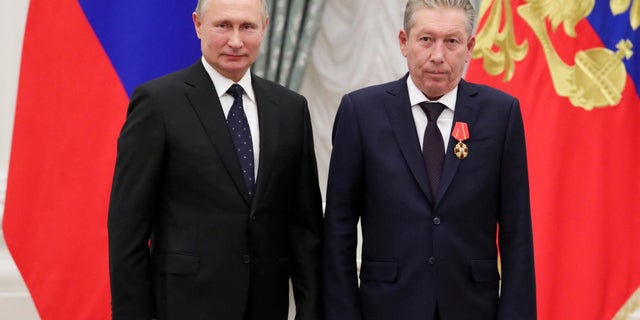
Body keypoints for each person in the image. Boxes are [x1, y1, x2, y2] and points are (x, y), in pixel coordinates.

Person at [107, 0, 324, 319]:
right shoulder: (158, 103)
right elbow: (128, 228)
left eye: (247, 27)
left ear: (264, 28)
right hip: (185, 305)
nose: (235, 41)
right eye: (223, 25)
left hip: (266, 305)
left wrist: (311, 310)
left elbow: (305, 227)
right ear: (198, 25)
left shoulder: (291, 109)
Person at [323, 0, 536, 319]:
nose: (438, 56)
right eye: (426, 39)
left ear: (469, 47)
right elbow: (339, 227)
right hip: (385, 306)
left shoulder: (501, 114)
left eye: (451, 41)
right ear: (404, 42)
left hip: (472, 307)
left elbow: (517, 231)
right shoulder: (361, 113)